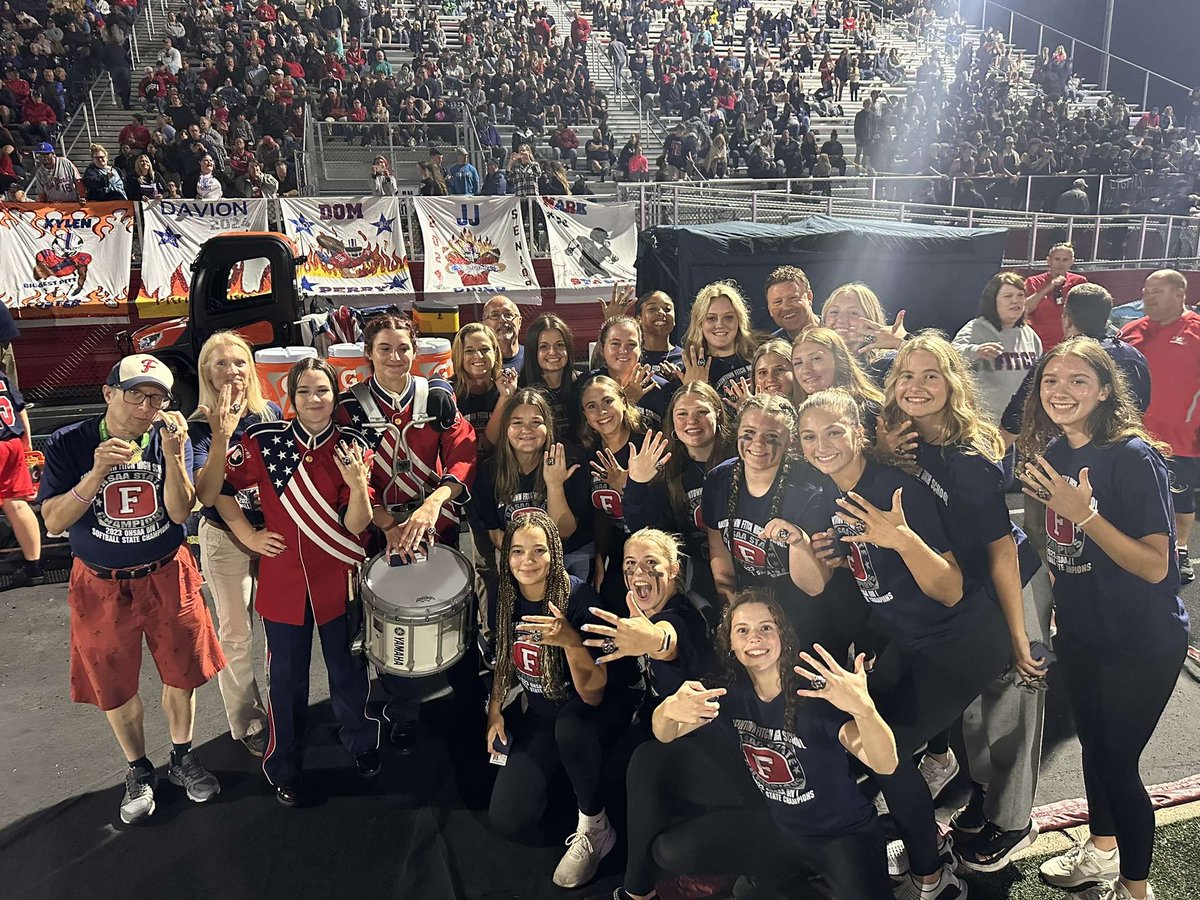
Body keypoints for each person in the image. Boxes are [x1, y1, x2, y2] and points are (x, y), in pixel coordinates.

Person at [799, 388, 1011, 900]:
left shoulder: (896, 491)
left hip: (961, 640)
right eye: (809, 436)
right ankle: (919, 811)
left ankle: (933, 875)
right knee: (859, 736)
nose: (821, 445)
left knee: (883, 752)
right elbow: (867, 581)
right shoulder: (832, 496)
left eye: (833, 432)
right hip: (910, 639)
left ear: (857, 432)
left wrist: (902, 539)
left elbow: (951, 588)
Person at [1017, 339, 1188, 900]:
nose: (1060, 392)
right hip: (1085, 635)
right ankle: (1101, 850)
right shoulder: (1056, 453)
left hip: (1142, 641)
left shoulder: (1132, 456)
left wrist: (1084, 515)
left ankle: (1137, 890)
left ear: (1106, 390)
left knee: (1117, 762)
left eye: (1077, 381)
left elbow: (1155, 565)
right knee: (1094, 747)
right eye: (1050, 381)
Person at [880, 334, 1051, 873]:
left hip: (1009, 582)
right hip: (967, 588)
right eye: (907, 374)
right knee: (975, 705)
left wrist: (1019, 635)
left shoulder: (969, 458)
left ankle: (1014, 820)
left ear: (953, 383)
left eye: (931, 375)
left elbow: (1001, 552)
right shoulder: (901, 439)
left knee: (1013, 697)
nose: (917, 385)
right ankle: (985, 795)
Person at [38, 355, 224, 824]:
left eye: (157, 397)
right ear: (108, 394)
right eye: (135, 394)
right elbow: (55, 522)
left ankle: (182, 757)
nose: (146, 406)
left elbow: (182, 515)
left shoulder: (168, 438)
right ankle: (138, 769)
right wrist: (97, 472)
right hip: (100, 583)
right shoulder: (71, 442)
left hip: (167, 573)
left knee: (182, 674)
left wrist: (177, 454)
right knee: (114, 687)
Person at [629, 590, 896, 899]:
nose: (754, 638)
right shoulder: (731, 693)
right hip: (779, 830)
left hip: (842, 836)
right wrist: (667, 709)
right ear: (731, 643)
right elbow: (664, 734)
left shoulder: (814, 695)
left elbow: (885, 763)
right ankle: (795, 880)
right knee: (670, 852)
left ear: (783, 634)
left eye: (766, 627)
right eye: (742, 630)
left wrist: (866, 710)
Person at [219, 359, 381, 806]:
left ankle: (362, 743)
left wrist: (359, 485)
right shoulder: (263, 441)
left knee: (348, 672)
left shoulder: (353, 445)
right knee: (286, 681)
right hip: (284, 582)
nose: (315, 399)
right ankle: (284, 764)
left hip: (337, 580)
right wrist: (247, 534)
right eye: (305, 391)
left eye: (323, 390)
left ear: (335, 394)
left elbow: (356, 525)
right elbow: (218, 487)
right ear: (290, 397)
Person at [335, 313, 478, 753]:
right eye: (384, 349)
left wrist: (434, 503)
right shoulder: (350, 406)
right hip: (380, 531)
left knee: (452, 604)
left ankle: (469, 699)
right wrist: (387, 523)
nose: (395, 357)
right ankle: (403, 709)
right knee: (389, 616)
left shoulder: (437, 396)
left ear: (415, 352)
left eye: (403, 348)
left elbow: (463, 449)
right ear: (368, 354)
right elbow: (345, 475)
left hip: (434, 524)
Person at [485, 510, 638, 889]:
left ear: (555, 553)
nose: (527, 561)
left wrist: (570, 641)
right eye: (518, 551)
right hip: (541, 715)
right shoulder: (504, 596)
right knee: (507, 819)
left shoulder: (579, 597)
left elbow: (595, 691)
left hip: (589, 711)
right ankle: (563, 779)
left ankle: (595, 825)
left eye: (538, 551)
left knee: (570, 726)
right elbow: (504, 658)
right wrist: (494, 712)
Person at [703, 394, 865, 658]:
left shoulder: (810, 487)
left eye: (771, 437)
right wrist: (730, 602)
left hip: (808, 620)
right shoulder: (719, 479)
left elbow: (815, 585)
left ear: (789, 441)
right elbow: (718, 545)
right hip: (751, 615)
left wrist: (799, 541)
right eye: (749, 432)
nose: (758, 443)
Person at [188, 332, 280, 757]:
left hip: (274, 533)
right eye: (221, 364)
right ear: (206, 371)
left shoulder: (271, 413)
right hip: (228, 536)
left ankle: (284, 707)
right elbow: (210, 493)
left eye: (239, 363)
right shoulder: (198, 425)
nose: (232, 372)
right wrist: (246, 535)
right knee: (236, 632)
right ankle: (248, 720)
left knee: (281, 627)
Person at [624, 383, 735, 616]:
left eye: (701, 412)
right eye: (682, 414)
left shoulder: (740, 459)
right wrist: (637, 484)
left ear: (718, 413)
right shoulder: (666, 467)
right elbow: (645, 531)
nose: (691, 421)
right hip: (692, 575)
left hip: (741, 566)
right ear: (672, 422)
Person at [1119, 269, 1200, 584]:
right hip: (1132, 435)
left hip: (1181, 437)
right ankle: (1134, 547)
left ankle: (1179, 548)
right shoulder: (1130, 332)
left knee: (1178, 497)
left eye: (1157, 291)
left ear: (1180, 293)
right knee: (1132, 494)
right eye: (1146, 291)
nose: (1148, 296)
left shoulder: (1196, 332)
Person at [469, 387, 593, 580]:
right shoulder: (489, 471)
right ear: (505, 428)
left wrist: (554, 485)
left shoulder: (570, 460)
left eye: (536, 422)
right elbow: (495, 535)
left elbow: (564, 533)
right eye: (517, 423)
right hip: (520, 562)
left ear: (548, 427)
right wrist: (529, 565)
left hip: (569, 556)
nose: (526, 430)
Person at [580, 376, 645, 599]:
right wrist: (600, 559)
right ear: (586, 417)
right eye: (592, 406)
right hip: (618, 549)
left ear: (624, 402)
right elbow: (601, 512)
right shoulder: (590, 454)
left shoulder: (645, 444)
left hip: (650, 547)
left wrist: (628, 486)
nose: (601, 411)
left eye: (608, 401)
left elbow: (664, 514)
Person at [953, 272, 1044, 425]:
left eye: (1020, 295)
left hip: (1019, 424)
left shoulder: (1030, 334)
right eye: (1008, 296)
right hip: (983, 423)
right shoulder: (976, 328)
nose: (1015, 301)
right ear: (993, 301)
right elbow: (950, 355)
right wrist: (975, 351)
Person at [576, 316, 673, 432]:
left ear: (641, 348)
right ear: (602, 348)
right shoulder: (586, 384)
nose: (623, 351)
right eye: (615, 344)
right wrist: (627, 400)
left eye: (631, 344)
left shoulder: (661, 388)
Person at [790, 327, 886, 436]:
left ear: (839, 360)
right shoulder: (795, 415)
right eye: (798, 363)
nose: (806, 370)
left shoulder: (871, 410)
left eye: (816, 359)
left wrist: (880, 451)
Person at [0, 365, 41, 587]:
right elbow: (20, 409)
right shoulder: (1, 376)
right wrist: (27, 444)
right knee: (16, 504)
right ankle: (34, 569)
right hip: (11, 442)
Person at [680, 281, 759, 396]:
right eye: (711, 318)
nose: (720, 324)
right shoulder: (691, 370)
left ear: (739, 320)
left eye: (728, 317)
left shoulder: (760, 354)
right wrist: (695, 389)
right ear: (699, 323)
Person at [452, 322, 516, 459]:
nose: (479, 356)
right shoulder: (447, 393)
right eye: (469, 350)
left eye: (485, 349)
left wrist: (505, 397)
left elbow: (488, 445)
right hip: (459, 475)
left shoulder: (508, 390)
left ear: (495, 352)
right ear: (460, 355)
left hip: (500, 473)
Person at [819, 282, 907, 379]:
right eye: (834, 312)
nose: (841, 318)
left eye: (853, 313)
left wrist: (901, 344)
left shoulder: (888, 363)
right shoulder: (813, 364)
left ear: (871, 320)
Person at [519, 313, 579, 438]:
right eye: (544, 346)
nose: (552, 352)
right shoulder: (520, 390)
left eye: (560, 345)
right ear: (532, 351)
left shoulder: (583, 383)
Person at [1023, 243, 1088, 351]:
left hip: (1070, 347)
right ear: (1049, 260)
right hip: (1040, 347)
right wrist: (1048, 288)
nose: (1060, 263)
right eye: (1057, 259)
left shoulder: (1079, 282)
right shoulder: (1033, 281)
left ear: (1072, 261)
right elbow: (1025, 308)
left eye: (1065, 260)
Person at [765, 265, 819, 341]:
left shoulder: (837, 332)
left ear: (809, 297)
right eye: (778, 302)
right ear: (769, 309)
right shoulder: (771, 347)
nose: (786, 307)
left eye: (792, 298)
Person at [633, 290, 683, 370]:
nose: (661, 313)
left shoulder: (686, 359)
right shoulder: (630, 356)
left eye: (667, 309)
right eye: (652, 309)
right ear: (639, 319)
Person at [481, 294, 525, 371]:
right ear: (484, 324)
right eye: (495, 315)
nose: (502, 320)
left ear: (519, 322)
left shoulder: (534, 357)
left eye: (508, 314)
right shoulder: (479, 362)